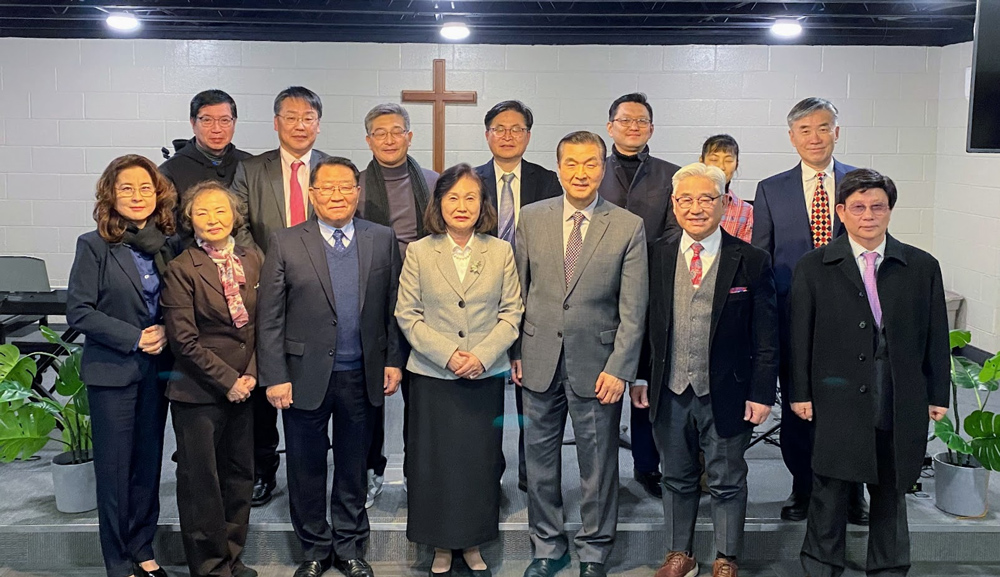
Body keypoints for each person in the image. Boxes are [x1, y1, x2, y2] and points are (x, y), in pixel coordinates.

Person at [789, 168, 950, 577]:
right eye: (858, 207)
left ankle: (889, 567)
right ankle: (822, 564)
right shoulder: (814, 266)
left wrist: (937, 394)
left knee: (891, 488)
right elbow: (799, 336)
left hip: (897, 394)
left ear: (890, 211)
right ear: (841, 211)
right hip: (835, 397)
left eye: (878, 207)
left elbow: (936, 335)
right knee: (829, 489)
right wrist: (799, 391)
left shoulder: (921, 266)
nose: (868, 216)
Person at [256, 156, 403, 577]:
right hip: (303, 375)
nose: (337, 195)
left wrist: (393, 360)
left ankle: (350, 546)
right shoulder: (286, 241)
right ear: (312, 194)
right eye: (327, 187)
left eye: (345, 187)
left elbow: (394, 306)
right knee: (306, 466)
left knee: (354, 466)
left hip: (362, 373)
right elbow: (270, 316)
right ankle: (314, 550)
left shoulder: (381, 238)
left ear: (358, 192)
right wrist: (275, 376)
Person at [514, 131, 648, 577]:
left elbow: (634, 309)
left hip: (598, 365)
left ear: (603, 168)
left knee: (598, 464)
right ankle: (547, 546)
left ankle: (594, 550)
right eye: (571, 163)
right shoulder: (532, 218)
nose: (580, 172)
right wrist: (515, 351)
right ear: (558, 168)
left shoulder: (627, 226)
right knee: (539, 462)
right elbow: (517, 292)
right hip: (538, 359)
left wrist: (621, 368)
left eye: (590, 163)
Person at [635, 163, 778, 577]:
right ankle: (679, 553)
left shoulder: (751, 260)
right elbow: (645, 323)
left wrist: (762, 393)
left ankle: (726, 557)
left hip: (729, 392)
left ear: (725, 202)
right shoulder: (656, 255)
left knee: (726, 478)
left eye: (706, 199)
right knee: (675, 476)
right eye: (686, 200)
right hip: (670, 389)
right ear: (674, 204)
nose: (695, 208)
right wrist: (641, 375)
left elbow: (767, 335)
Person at [395, 163, 523, 577]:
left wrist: (481, 356)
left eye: (471, 197)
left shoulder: (500, 251)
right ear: (439, 204)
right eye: (453, 197)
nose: (462, 205)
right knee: (434, 463)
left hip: (483, 376)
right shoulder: (419, 251)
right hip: (433, 376)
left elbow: (512, 312)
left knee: (478, 463)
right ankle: (439, 544)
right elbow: (407, 314)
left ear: (483, 204)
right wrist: (449, 354)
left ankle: (472, 541)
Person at [750, 97, 868, 524]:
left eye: (823, 127)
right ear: (792, 137)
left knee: (852, 409)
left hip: (852, 320)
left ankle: (853, 492)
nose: (814, 137)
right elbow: (762, 261)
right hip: (793, 320)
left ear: (836, 132)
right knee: (799, 408)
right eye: (805, 130)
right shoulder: (771, 189)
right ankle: (802, 487)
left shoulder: (861, 183)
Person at [66, 154, 178, 577]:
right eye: (126, 188)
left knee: (147, 465)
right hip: (113, 370)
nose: (137, 195)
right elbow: (79, 310)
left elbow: (179, 302)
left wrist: (165, 328)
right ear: (110, 194)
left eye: (145, 188)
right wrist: (134, 337)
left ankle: (143, 549)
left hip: (156, 370)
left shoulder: (168, 245)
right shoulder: (94, 245)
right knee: (114, 471)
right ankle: (117, 562)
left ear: (158, 194)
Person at [230, 85, 330, 507]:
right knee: (264, 380)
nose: (299, 125)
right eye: (291, 117)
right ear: (276, 123)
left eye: (308, 118)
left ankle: (318, 469)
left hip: (319, 293)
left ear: (318, 125)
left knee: (317, 381)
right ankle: (263, 469)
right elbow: (237, 225)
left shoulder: (334, 169)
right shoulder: (252, 169)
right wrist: (269, 268)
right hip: (263, 288)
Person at [161, 182, 261, 577]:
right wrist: (229, 380)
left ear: (235, 216)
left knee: (239, 477)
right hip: (198, 392)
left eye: (220, 210)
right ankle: (209, 567)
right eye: (202, 212)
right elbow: (183, 340)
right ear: (190, 220)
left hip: (245, 387)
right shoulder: (182, 268)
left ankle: (232, 558)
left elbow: (264, 324)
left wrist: (251, 374)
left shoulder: (253, 259)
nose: (213, 219)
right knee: (201, 483)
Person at [474, 99, 561, 492]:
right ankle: (487, 471)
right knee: (485, 390)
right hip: (482, 300)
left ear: (528, 135)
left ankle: (531, 473)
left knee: (533, 391)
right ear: (487, 134)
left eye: (517, 129)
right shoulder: (471, 180)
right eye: (500, 129)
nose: (508, 136)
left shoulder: (548, 181)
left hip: (535, 295)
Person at [356, 102, 439, 506]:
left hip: (425, 301)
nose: (389, 139)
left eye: (396, 131)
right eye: (380, 133)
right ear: (368, 140)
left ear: (410, 136)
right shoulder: (355, 186)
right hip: (371, 301)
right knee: (370, 392)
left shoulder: (433, 182)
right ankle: (370, 469)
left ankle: (416, 471)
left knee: (420, 393)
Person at [599, 92, 680, 499]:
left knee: (646, 386)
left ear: (651, 128)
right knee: (602, 383)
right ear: (609, 126)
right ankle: (601, 470)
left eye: (641, 121)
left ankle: (647, 465)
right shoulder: (594, 170)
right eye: (625, 120)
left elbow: (674, 232)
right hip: (599, 293)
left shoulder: (671, 175)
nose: (633, 127)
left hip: (651, 292)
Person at [159, 89, 251, 245]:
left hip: (246, 255)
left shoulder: (249, 165)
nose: (217, 129)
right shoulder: (170, 171)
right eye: (207, 120)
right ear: (193, 123)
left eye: (225, 120)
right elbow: (167, 230)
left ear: (234, 123)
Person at [699, 134, 753, 243]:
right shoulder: (685, 202)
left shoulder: (746, 211)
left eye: (728, 161)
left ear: (736, 165)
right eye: (714, 159)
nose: (721, 167)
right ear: (701, 162)